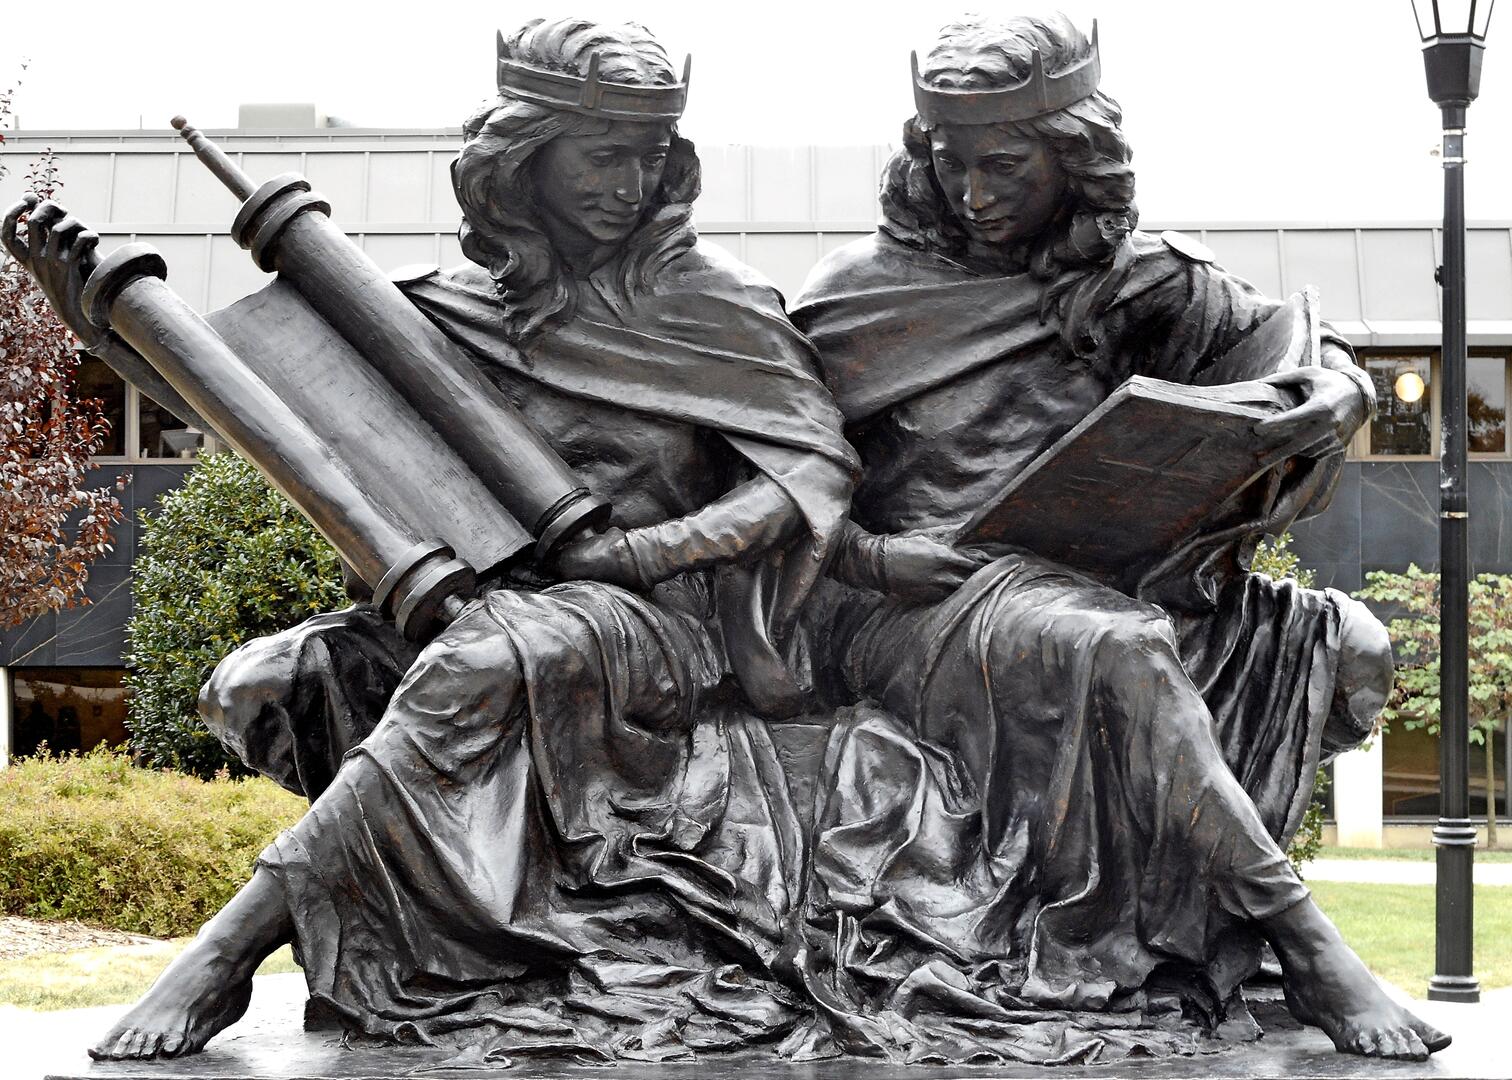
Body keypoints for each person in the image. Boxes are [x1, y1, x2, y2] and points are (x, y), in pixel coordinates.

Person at [7, 18, 855, 1062]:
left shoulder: (709, 301)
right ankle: (428, 937)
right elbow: (271, 419)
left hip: (657, 626)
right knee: (265, 682)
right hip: (477, 595)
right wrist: (104, 325)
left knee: (495, 656)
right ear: (523, 162)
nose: (627, 184)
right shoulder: (434, 313)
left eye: (649, 156)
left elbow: (807, 477)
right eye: (600, 153)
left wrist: (635, 555)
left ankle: (225, 955)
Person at [789, 13, 1446, 1063]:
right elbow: (779, 494)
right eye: (952, 164)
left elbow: (1303, 352)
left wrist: (1335, 394)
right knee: (1116, 645)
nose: (976, 193)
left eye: (1006, 165)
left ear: (1075, 161)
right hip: (917, 602)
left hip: (1110, 581)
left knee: (1351, 646)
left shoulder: (1146, 284)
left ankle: (1203, 925)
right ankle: (1303, 939)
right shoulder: (856, 296)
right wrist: (876, 559)